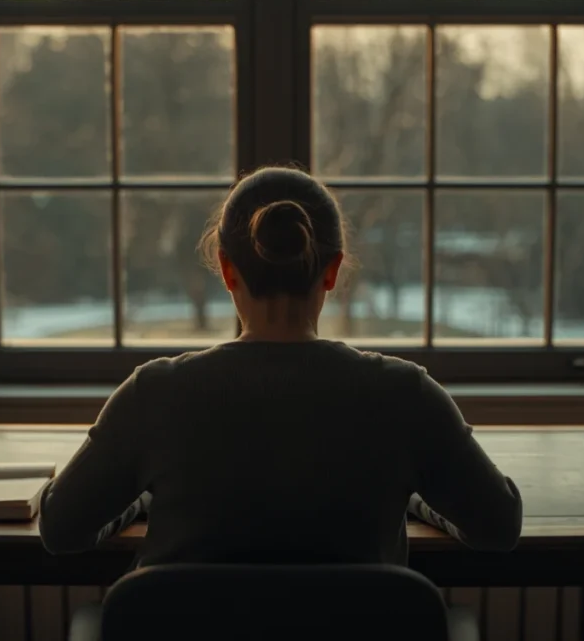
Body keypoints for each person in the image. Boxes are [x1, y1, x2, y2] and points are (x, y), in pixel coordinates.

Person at [39, 167, 522, 568]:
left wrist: (144, 498)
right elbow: (498, 527)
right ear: (331, 271)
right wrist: (416, 499)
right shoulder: (405, 394)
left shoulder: (154, 394)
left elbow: (61, 529)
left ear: (227, 271)